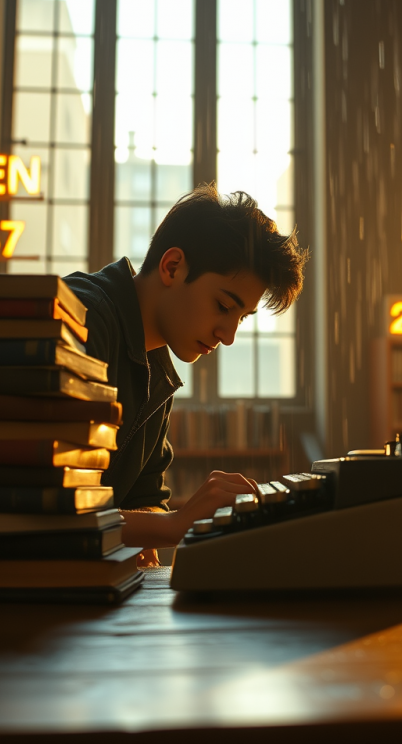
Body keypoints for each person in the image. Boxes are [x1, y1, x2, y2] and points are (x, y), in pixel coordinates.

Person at [64, 184, 308, 554]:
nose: (227, 337)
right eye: (224, 306)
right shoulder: (79, 317)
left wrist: (159, 525)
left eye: (241, 319)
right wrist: (172, 524)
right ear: (172, 266)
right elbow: (47, 508)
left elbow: (144, 501)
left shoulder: (157, 370)